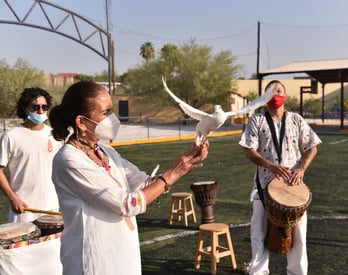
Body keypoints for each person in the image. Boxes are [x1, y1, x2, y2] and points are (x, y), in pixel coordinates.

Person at [48, 80, 209, 275]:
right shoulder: (69, 160)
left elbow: (144, 183)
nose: (112, 118)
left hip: (122, 255)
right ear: (81, 122)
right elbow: (127, 204)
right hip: (94, 261)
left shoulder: (106, 151)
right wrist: (173, 173)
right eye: (106, 112)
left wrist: (184, 164)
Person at [239, 80, 321, 275]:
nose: (275, 95)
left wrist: (301, 168)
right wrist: (270, 166)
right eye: (270, 92)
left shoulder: (296, 119)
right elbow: (249, 151)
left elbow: (312, 148)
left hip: (293, 188)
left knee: (299, 236)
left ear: (285, 95)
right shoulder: (257, 120)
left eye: (278, 91)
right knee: (258, 233)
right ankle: (258, 272)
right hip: (264, 186)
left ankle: (297, 272)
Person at [0, 87, 62, 223]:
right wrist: (12, 198)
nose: (40, 111)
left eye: (44, 107)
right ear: (25, 108)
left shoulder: (55, 135)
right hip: (23, 210)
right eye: (35, 107)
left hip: (52, 208)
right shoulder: (10, 136)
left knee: (54, 245)